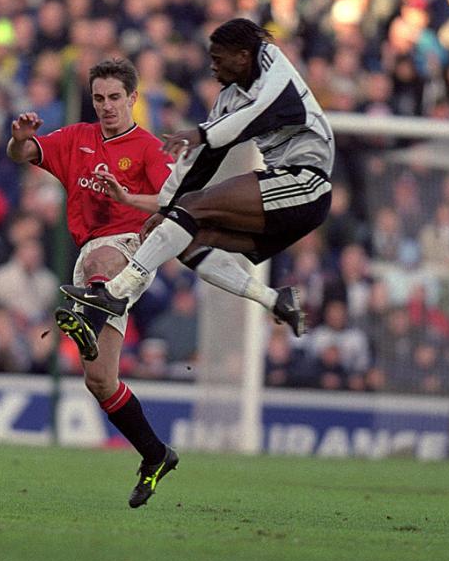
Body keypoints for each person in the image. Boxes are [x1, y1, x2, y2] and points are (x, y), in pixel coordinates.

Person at [62, 18, 335, 338]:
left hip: (307, 182)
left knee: (192, 208)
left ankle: (116, 292)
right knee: (186, 241)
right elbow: (201, 159)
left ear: (244, 56)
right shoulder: (228, 99)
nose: (213, 67)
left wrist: (201, 133)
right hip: (281, 190)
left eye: (219, 59)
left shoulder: (276, 70)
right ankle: (274, 299)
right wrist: (165, 207)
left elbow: (251, 118)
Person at [7, 57, 178, 508]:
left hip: (129, 245)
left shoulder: (146, 147)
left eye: (115, 98)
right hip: (90, 261)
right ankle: (156, 454)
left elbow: (166, 199)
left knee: (105, 257)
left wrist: (131, 201)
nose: (106, 106)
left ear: (133, 99)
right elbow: (23, 155)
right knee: (100, 379)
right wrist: (19, 140)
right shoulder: (76, 139)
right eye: (99, 98)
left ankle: (86, 313)